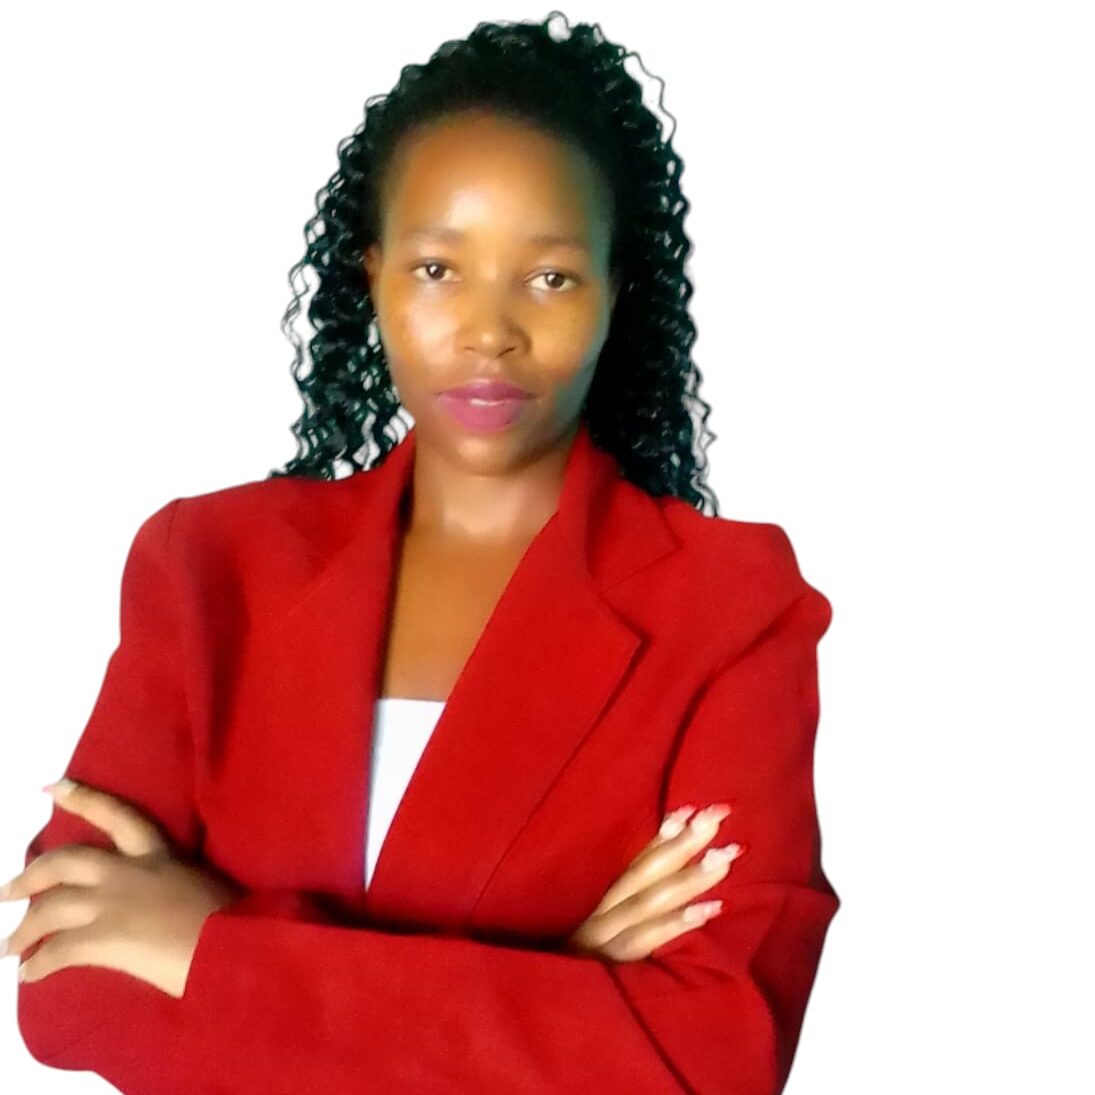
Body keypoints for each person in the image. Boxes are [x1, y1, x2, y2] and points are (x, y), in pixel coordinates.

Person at [1, 12, 838, 1093]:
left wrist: (211, 949)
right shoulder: (206, 566)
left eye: (550, 277)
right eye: (439, 268)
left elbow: (715, 1055)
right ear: (375, 276)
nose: (490, 331)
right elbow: (66, 988)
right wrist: (558, 988)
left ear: (616, 292)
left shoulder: (729, 606)